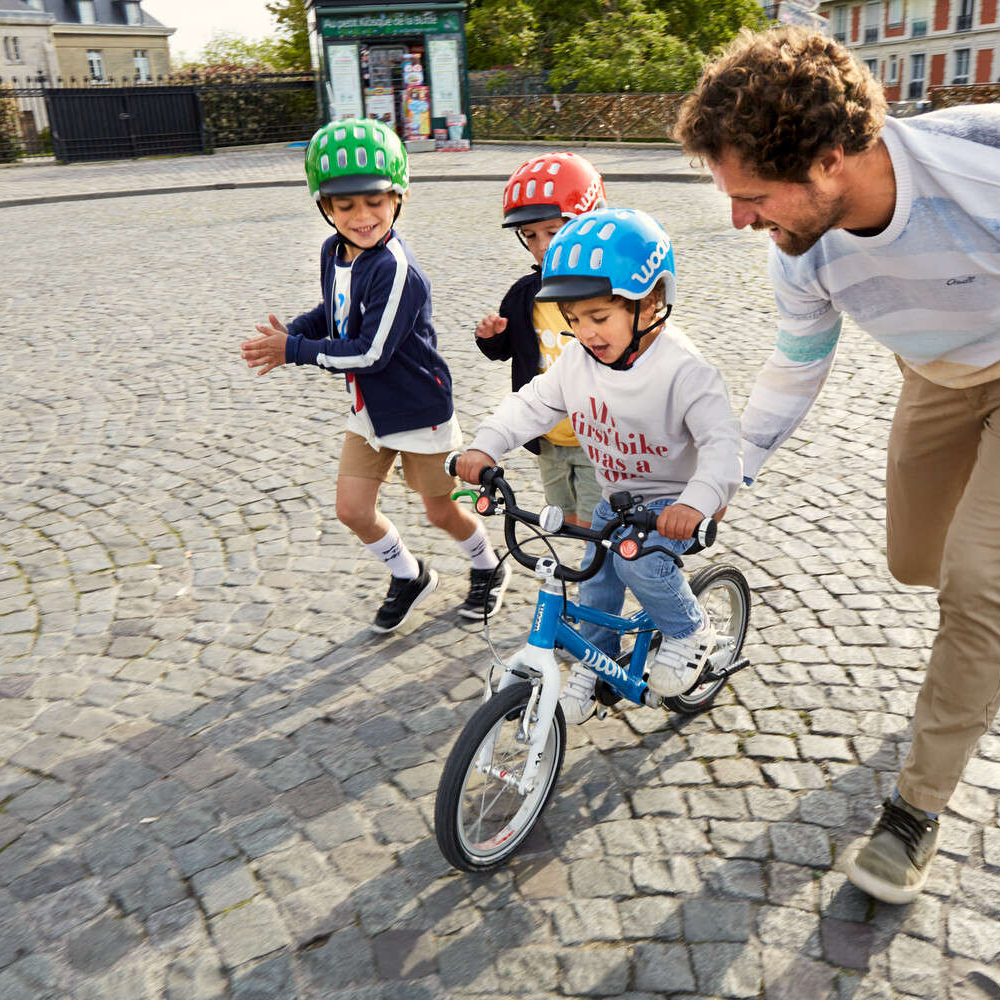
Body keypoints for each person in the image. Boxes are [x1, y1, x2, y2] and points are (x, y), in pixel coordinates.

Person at [675, 26, 1000, 904]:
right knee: (914, 559)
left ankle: (914, 810)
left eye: (753, 196)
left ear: (828, 160)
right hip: (935, 373)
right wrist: (722, 481)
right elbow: (794, 367)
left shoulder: (979, 165)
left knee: (979, 588)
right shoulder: (804, 250)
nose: (739, 220)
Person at [456, 208, 742, 724]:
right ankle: (599, 660)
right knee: (595, 574)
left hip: (678, 502)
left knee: (637, 561)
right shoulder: (578, 362)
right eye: (573, 319)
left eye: (599, 317)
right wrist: (486, 447)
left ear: (651, 300)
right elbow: (531, 404)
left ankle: (689, 630)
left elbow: (723, 447)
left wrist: (696, 503)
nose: (585, 333)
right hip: (619, 498)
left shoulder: (685, 371)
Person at [240, 118, 510, 633]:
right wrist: (295, 332)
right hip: (369, 410)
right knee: (352, 509)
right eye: (346, 206)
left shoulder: (397, 271)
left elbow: (370, 352)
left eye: (375, 202)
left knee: (440, 512)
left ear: (398, 198)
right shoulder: (333, 252)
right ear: (325, 207)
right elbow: (336, 312)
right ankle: (409, 576)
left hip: (418, 410)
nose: (362, 216)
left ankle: (486, 564)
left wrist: (294, 350)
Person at [474, 152, 608, 528]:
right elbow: (506, 351)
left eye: (553, 231)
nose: (541, 245)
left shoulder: (605, 295)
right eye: (530, 235)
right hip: (549, 437)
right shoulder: (524, 294)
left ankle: (596, 582)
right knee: (560, 514)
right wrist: (491, 337)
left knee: (595, 523)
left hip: (597, 440)